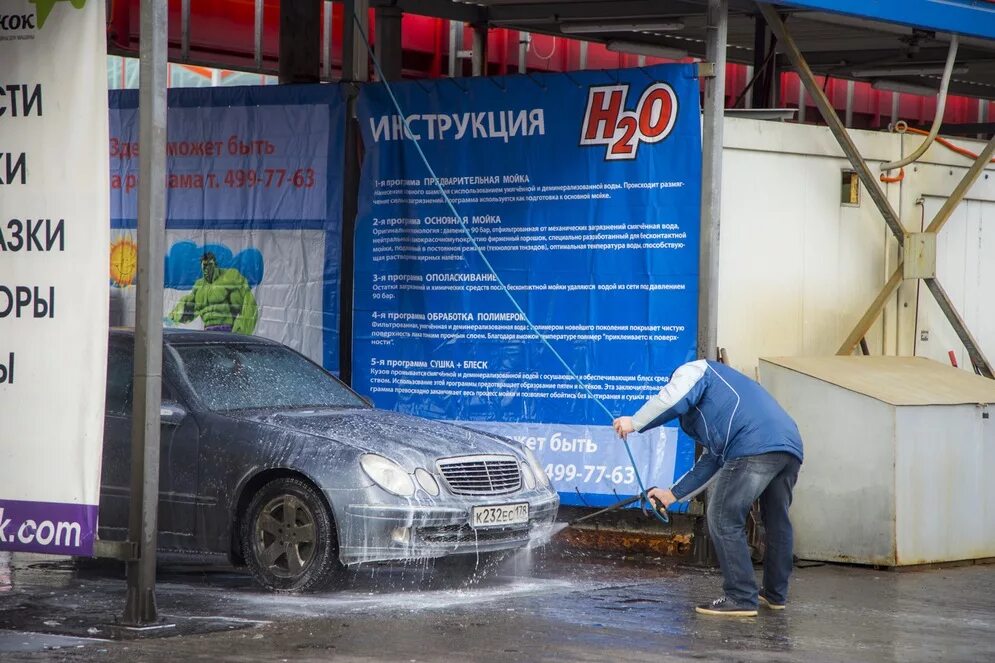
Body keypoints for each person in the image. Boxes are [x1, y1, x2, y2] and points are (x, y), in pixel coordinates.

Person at [613, 359, 803, 617]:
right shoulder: (725, 398)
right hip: (788, 445)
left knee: (723, 517)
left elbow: (671, 399)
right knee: (776, 520)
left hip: (752, 443)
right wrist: (671, 495)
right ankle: (774, 594)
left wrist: (634, 422)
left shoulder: (694, 370)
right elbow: (712, 460)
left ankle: (741, 597)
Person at [168, 252, 259, 334]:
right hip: (208, 331)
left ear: (215, 265)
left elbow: (249, 304)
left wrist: (241, 331)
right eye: (205, 266)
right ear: (201, 266)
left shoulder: (230, 277)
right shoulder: (199, 285)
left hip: (227, 330)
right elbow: (190, 309)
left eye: (210, 265)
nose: (207, 269)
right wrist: (173, 317)